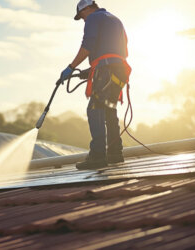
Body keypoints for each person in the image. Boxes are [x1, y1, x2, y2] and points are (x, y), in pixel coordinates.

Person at [60, 0, 131, 170]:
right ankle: (115, 153)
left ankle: (98, 155)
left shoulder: (93, 18)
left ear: (87, 9)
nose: (83, 20)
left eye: (82, 15)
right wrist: (91, 69)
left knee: (95, 108)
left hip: (106, 69)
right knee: (109, 109)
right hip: (120, 70)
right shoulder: (114, 19)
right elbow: (120, 51)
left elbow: (88, 45)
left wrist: (71, 67)